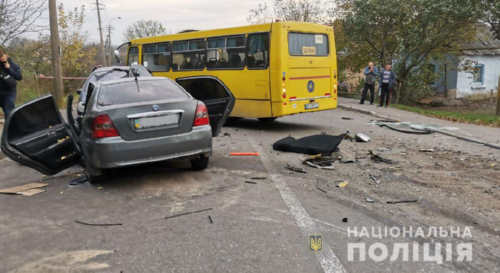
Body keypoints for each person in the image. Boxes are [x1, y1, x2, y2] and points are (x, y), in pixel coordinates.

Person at [0, 48, 22, 118]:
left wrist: (9, 68)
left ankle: (11, 128)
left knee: (8, 112)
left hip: (9, 92)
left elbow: (19, 77)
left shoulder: (10, 63)